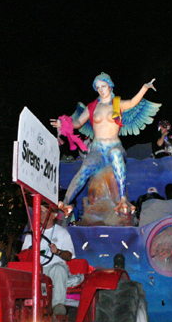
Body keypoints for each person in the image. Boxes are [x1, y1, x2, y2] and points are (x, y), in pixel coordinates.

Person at [52, 73, 158, 215]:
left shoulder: (117, 103)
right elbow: (78, 123)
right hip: (97, 149)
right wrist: (65, 123)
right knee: (84, 169)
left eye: (103, 86)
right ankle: (65, 203)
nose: (101, 89)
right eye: (97, 87)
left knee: (116, 154)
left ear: (110, 85)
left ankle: (122, 198)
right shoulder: (92, 107)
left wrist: (144, 87)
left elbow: (133, 102)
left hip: (114, 145)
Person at [21, 207, 83, 318]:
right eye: (41, 212)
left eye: (46, 212)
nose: (44, 215)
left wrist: (57, 251)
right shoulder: (31, 234)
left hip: (54, 268)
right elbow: (23, 255)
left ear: (54, 215)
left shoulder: (62, 233)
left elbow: (69, 256)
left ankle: (58, 306)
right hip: (37, 269)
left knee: (58, 269)